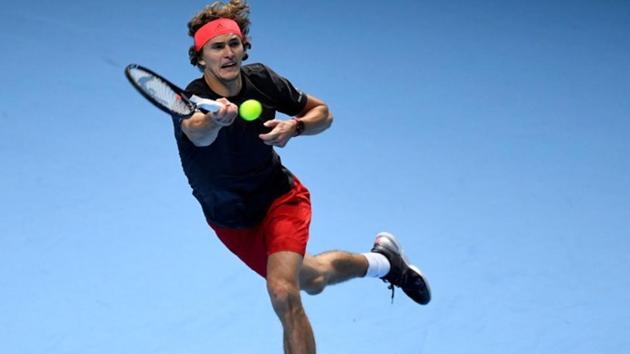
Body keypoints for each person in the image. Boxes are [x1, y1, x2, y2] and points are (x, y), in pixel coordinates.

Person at [174, 1, 431, 352]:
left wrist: (296, 126)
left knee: (282, 290)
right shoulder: (191, 101)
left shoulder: (262, 80)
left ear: (244, 46)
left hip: (278, 198)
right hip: (230, 220)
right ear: (201, 57)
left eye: (234, 43)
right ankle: (386, 263)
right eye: (217, 47)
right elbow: (196, 133)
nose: (228, 53)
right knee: (312, 278)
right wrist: (216, 120)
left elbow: (322, 113)